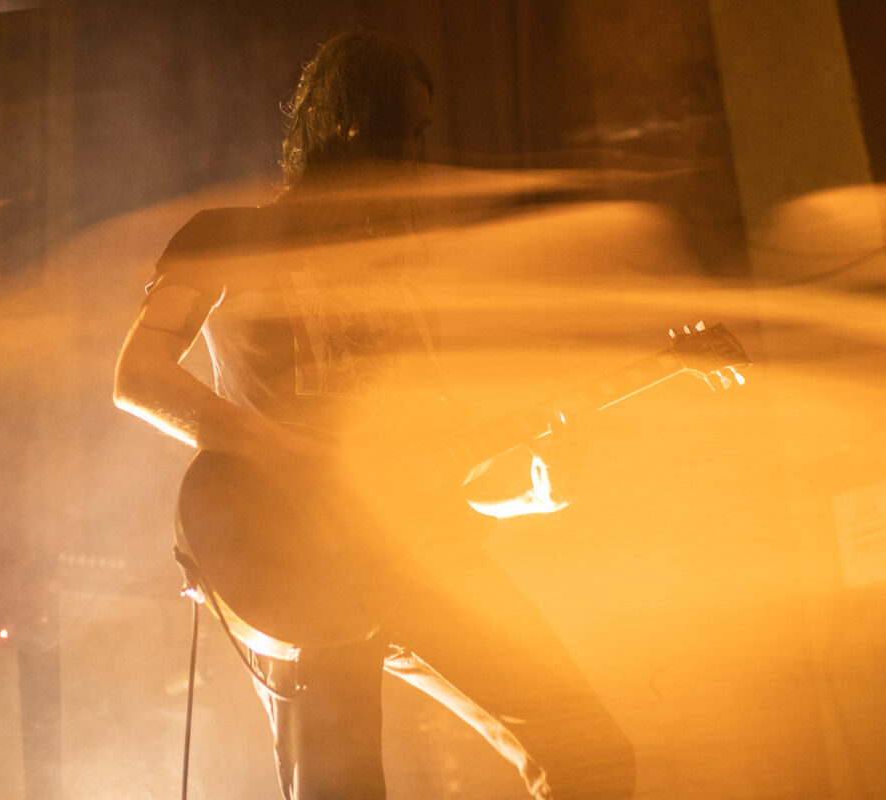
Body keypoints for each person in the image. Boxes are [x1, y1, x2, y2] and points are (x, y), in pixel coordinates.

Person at [114, 30, 635, 800]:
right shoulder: (227, 237)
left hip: (417, 553)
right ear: (350, 125)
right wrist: (278, 449)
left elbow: (430, 468)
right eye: (408, 131)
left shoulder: (402, 278)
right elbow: (138, 374)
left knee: (592, 755)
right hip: (293, 558)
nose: (419, 154)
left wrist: (532, 491)